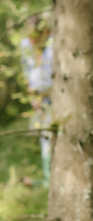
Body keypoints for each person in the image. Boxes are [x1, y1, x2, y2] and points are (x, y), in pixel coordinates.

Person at [19, 13, 54, 185]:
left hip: (56, 99)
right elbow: (27, 74)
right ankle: (48, 180)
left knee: (54, 135)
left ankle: (51, 180)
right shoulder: (26, 46)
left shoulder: (54, 46)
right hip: (39, 101)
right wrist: (34, 98)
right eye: (30, 36)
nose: (33, 40)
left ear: (46, 32)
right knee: (44, 137)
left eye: (36, 36)